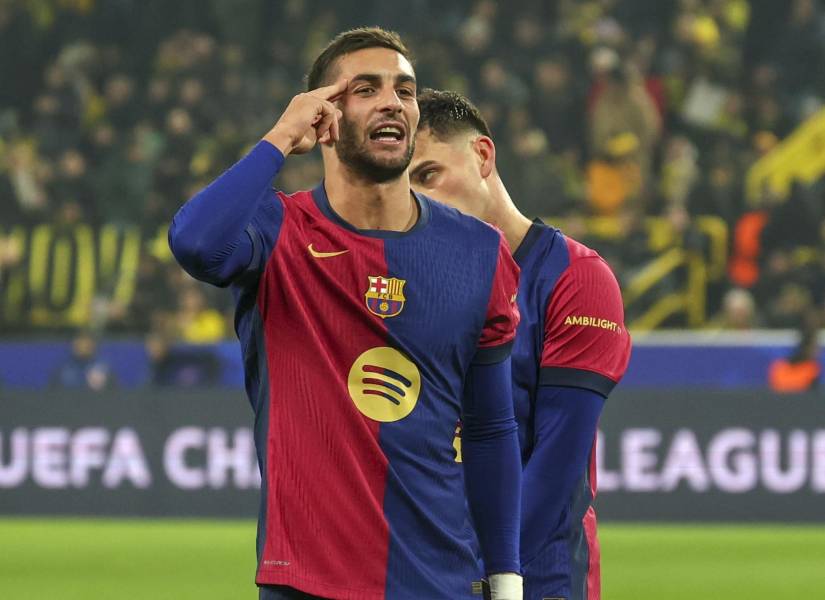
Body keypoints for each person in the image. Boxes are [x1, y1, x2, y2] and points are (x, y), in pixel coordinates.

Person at [169, 28, 523, 600]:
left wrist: (507, 578)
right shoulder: (277, 233)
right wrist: (282, 137)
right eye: (366, 89)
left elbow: (490, 429)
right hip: (306, 584)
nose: (393, 102)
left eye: (405, 91)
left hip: (442, 583)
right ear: (325, 115)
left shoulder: (480, 253)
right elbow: (195, 244)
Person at [410, 89, 632, 600]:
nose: (419, 201)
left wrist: (490, 575)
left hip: (535, 579)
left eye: (428, 175)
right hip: (426, 574)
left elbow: (556, 465)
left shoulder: (576, 279)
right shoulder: (412, 286)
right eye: (406, 188)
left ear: (483, 156)